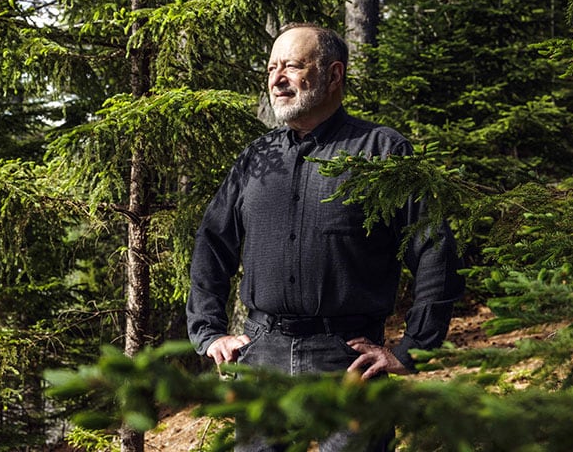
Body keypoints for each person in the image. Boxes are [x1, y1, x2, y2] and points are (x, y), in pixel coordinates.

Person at [186, 23, 465, 451]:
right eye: (272, 68)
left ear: (334, 74)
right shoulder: (256, 158)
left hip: (348, 358)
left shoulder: (382, 150)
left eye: (293, 66)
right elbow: (212, 243)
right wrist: (209, 331)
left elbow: (435, 251)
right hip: (261, 354)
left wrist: (413, 348)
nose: (277, 79)